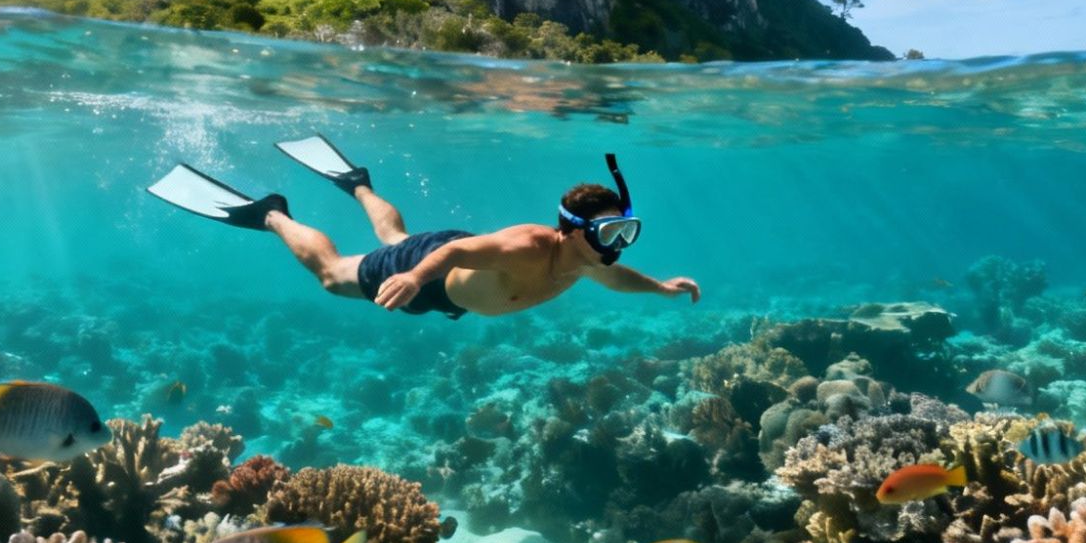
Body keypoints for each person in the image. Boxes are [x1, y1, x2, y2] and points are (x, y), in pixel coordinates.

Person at [148, 138, 700, 319]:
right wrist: (413, 280)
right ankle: (270, 212)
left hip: (454, 278)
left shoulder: (587, 260)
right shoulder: (528, 245)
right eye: (608, 235)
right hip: (435, 273)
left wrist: (662, 286)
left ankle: (359, 184)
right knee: (334, 276)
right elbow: (458, 249)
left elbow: (618, 278)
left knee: (395, 238)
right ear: (574, 231)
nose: (616, 247)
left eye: (625, 233)